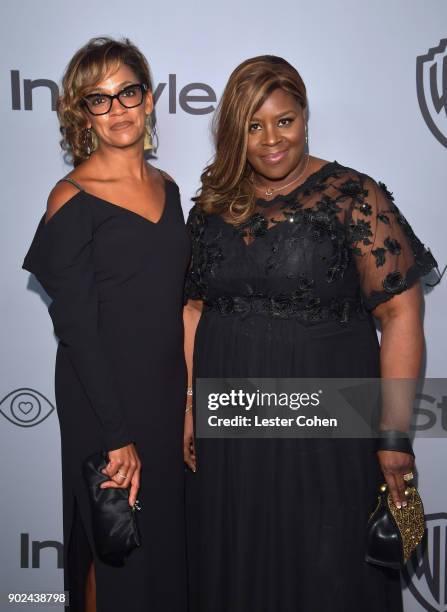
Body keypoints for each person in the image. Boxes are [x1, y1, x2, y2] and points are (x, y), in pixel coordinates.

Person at [182, 55, 438, 612]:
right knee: (236, 555)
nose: (272, 139)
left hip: (327, 419)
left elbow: (400, 316)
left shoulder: (352, 196)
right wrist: (189, 406)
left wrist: (394, 438)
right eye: (253, 125)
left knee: (327, 560)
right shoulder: (211, 206)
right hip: (232, 417)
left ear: (305, 117)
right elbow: (194, 310)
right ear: (234, 132)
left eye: (285, 120)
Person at [22, 37, 189, 612]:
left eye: (127, 93)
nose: (117, 110)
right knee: (114, 544)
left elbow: (180, 305)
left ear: (148, 100)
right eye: (99, 99)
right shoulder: (70, 198)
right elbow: (77, 329)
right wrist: (116, 434)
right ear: (81, 113)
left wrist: (189, 400)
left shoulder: (169, 190)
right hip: (103, 400)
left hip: (166, 396)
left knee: (163, 547)